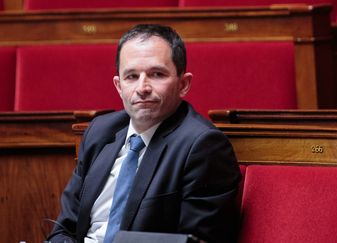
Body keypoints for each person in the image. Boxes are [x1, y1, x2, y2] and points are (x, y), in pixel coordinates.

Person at [47, 24, 241, 243]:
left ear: (183, 84)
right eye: (131, 76)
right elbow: (63, 229)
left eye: (156, 74)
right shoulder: (99, 133)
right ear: (119, 86)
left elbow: (195, 241)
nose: (142, 87)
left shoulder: (203, 146)